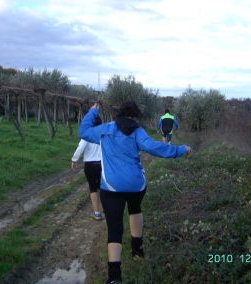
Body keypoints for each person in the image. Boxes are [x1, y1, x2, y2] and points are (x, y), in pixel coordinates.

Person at [79, 101, 192, 284]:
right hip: (136, 185)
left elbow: (83, 131)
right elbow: (154, 147)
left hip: (111, 187)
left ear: (119, 114)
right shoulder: (138, 131)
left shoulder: (105, 129)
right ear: (135, 116)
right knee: (135, 208)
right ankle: (137, 249)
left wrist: (93, 112)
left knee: (114, 229)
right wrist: (180, 150)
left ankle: (115, 277)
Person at [71, 116, 104, 220]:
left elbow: (80, 148)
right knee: (104, 188)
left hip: (90, 165)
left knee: (93, 188)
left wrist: (74, 159)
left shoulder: (87, 134)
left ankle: (97, 213)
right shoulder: (104, 134)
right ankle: (108, 211)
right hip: (103, 165)